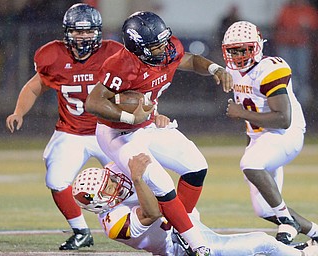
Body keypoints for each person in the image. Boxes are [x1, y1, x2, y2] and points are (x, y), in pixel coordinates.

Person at [85, 11, 233, 256]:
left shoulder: (169, 48)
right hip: (118, 133)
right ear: (137, 48)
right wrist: (130, 117)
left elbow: (192, 60)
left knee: (196, 164)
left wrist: (216, 68)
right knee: (160, 181)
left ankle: (175, 228)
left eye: (164, 41)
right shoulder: (121, 64)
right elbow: (93, 102)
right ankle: (198, 246)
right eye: (155, 46)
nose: (164, 49)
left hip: (147, 125)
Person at [5, 3, 124, 250]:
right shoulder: (53, 56)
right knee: (56, 179)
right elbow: (34, 86)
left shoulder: (113, 53)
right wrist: (19, 112)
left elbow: (134, 86)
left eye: (88, 31)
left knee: (134, 178)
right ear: (67, 32)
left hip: (109, 130)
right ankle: (81, 231)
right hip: (71, 132)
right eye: (77, 32)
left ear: (98, 32)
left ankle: (152, 225)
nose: (82, 37)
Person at [72, 153, 318, 256]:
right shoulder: (114, 224)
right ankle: (304, 254)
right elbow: (154, 211)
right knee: (261, 242)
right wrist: (136, 177)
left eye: (110, 180)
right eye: (109, 187)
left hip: (182, 225)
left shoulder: (112, 181)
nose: (115, 182)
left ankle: (293, 251)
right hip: (180, 247)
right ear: (100, 203)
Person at [223, 21, 318, 247]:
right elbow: (253, 117)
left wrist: (241, 113)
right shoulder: (232, 71)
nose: (238, 55)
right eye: (233, 50)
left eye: (243, 49)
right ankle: (315, 233)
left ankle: (286, 219)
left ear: (256, 47)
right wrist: (250, 140)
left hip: (285, 134)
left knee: (250, 164)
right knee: (263, 208)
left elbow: (283, 119)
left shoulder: (270, 69)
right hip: (262, 138)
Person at [273, 0, 318, 108]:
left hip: (301, 45)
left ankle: (302, 101)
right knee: (287, 71)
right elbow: (278, 25)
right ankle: (288, 97)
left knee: (302, 72)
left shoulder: (308, 10)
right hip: (286, 45)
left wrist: (305, 29)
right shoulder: (286, 9)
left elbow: (313, 27)